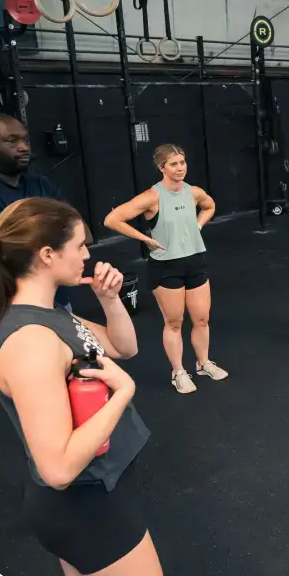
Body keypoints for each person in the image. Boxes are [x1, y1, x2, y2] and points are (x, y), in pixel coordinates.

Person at [0, 198, 161, 576]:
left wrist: (110, 300)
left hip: (98, 492)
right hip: (85, 506)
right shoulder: (30, 340)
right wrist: (122, 394)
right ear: (48, 254)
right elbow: (58, 469)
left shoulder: (51, 314)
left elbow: (123, 347)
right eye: (81, 245)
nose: (88, 253)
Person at [104, 144, 227, 395]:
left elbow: (210, 206)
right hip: (166, 266)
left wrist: (197, 226)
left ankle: (203, 364)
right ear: (162, 168)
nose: (180, 168)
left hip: (195, 261)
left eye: (182, 162)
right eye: (173, 164)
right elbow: (112, 219)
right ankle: (178, 372)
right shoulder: (152, 196)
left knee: (202, 319)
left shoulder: (193, 192)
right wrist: (145, 238)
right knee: (174, 321)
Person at [0, 114, 76, 310]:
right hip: (7, 305)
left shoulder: (41, 184)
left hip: (57, 299)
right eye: (11, 141)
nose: (24, 147)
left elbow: (80, 231)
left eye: (25, 140)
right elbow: (3, 247)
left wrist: (20, 230)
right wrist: (53, 227)